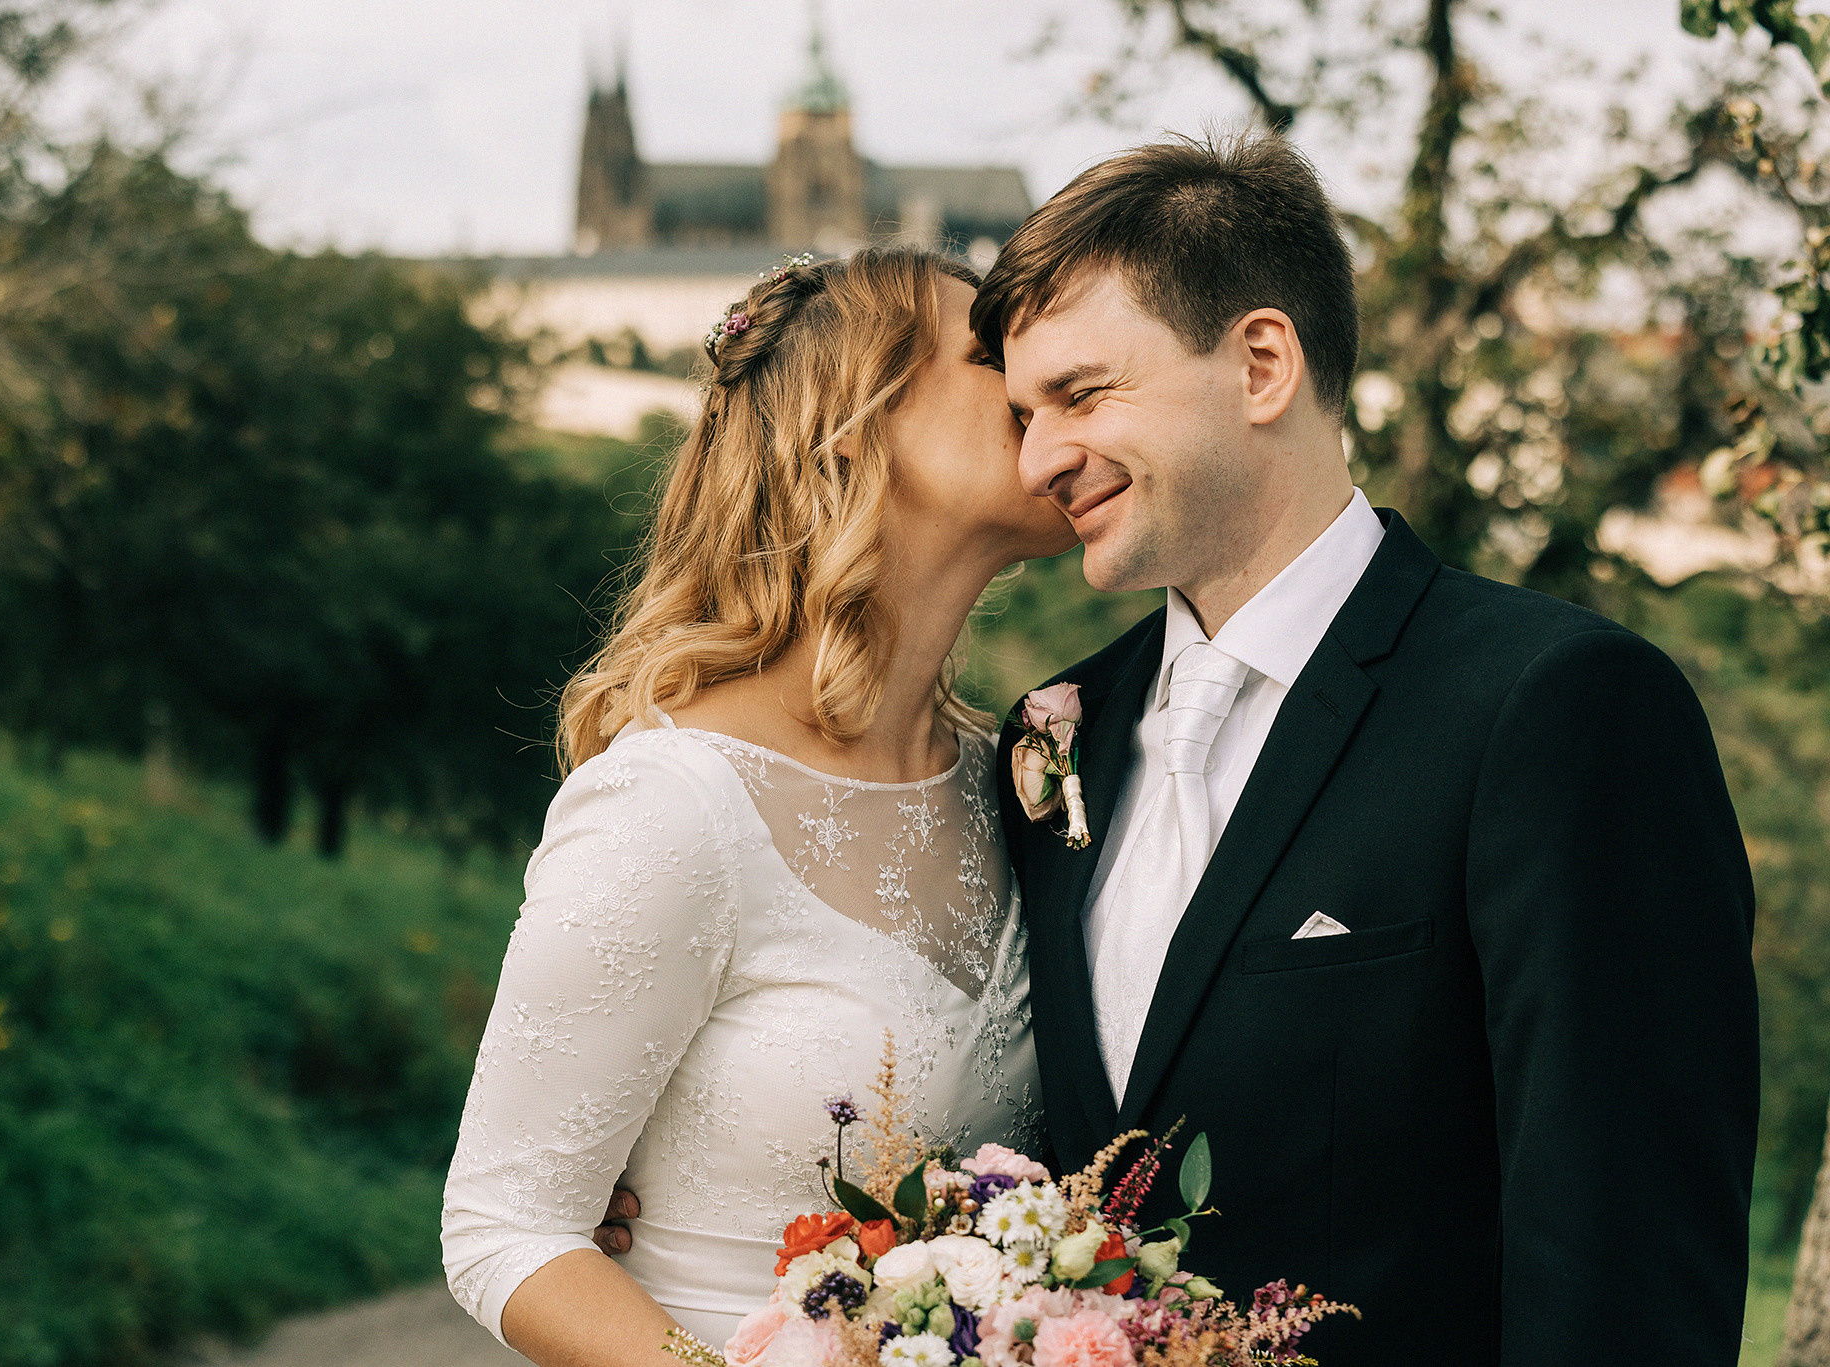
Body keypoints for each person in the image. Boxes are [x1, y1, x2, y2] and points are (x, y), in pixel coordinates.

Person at [974, 133, 1760, 1365]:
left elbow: (1625, 1269)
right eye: (1024, 415)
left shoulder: (1553, 707)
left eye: (1079, 395)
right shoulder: (1048, 734)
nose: (1036, 459)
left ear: (1261, 362)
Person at [440, 246, 1074, 1364]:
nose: (1040, 379)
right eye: (988, 353)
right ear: (851, 428)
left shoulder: (1019, 779)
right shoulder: (674, 803)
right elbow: (503, 1226)